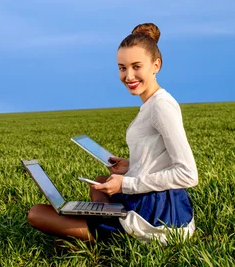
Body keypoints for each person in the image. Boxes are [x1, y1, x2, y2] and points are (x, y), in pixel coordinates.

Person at [27, 23, 198, 243]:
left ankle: (110, 235)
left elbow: (187, 174)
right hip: (159, 203)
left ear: (156, 65)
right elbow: (159, 156)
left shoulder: (161, 107)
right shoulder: (152, 103)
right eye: (122, 67)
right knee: (101, 182)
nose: (128, 76)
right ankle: (106, 225)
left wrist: (125, 183)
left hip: (162, 219)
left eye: (137, 66)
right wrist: (130, 165)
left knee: (37, 214)